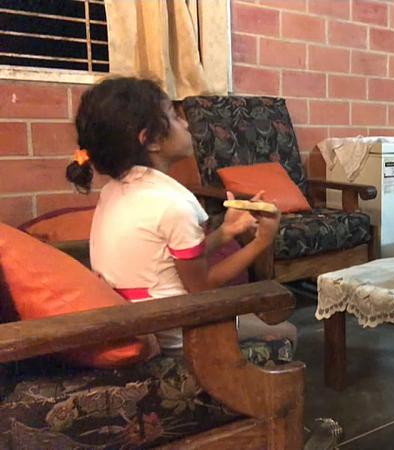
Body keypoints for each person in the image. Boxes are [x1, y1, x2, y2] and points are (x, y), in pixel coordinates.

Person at [65, 77, 297, 353]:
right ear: (151, 140)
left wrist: (226, 232)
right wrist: (261, 243)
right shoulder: (172, 205)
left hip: (135, 319)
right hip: (174, 329)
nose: (186, 124)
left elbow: (169, 259)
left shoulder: (114, 191)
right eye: (175, 117)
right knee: (286, 332)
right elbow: (202, 291)